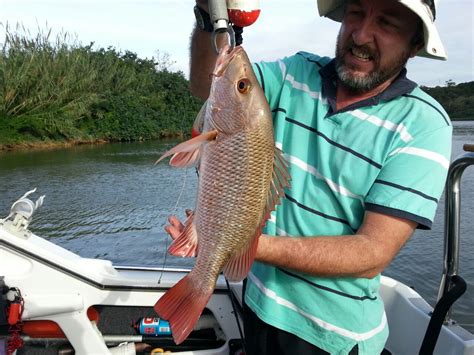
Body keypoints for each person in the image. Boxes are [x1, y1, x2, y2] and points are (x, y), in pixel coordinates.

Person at [166, 0, 452, 354]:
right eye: (356, 13)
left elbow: (371, 253)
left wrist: (229, 243)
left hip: (333, 338)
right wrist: (210, 20)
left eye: (388, 23)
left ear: (414, 44)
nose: (361, 34)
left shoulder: (423, 124)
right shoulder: (294, 73)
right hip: (258, 307)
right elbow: (207, 87)